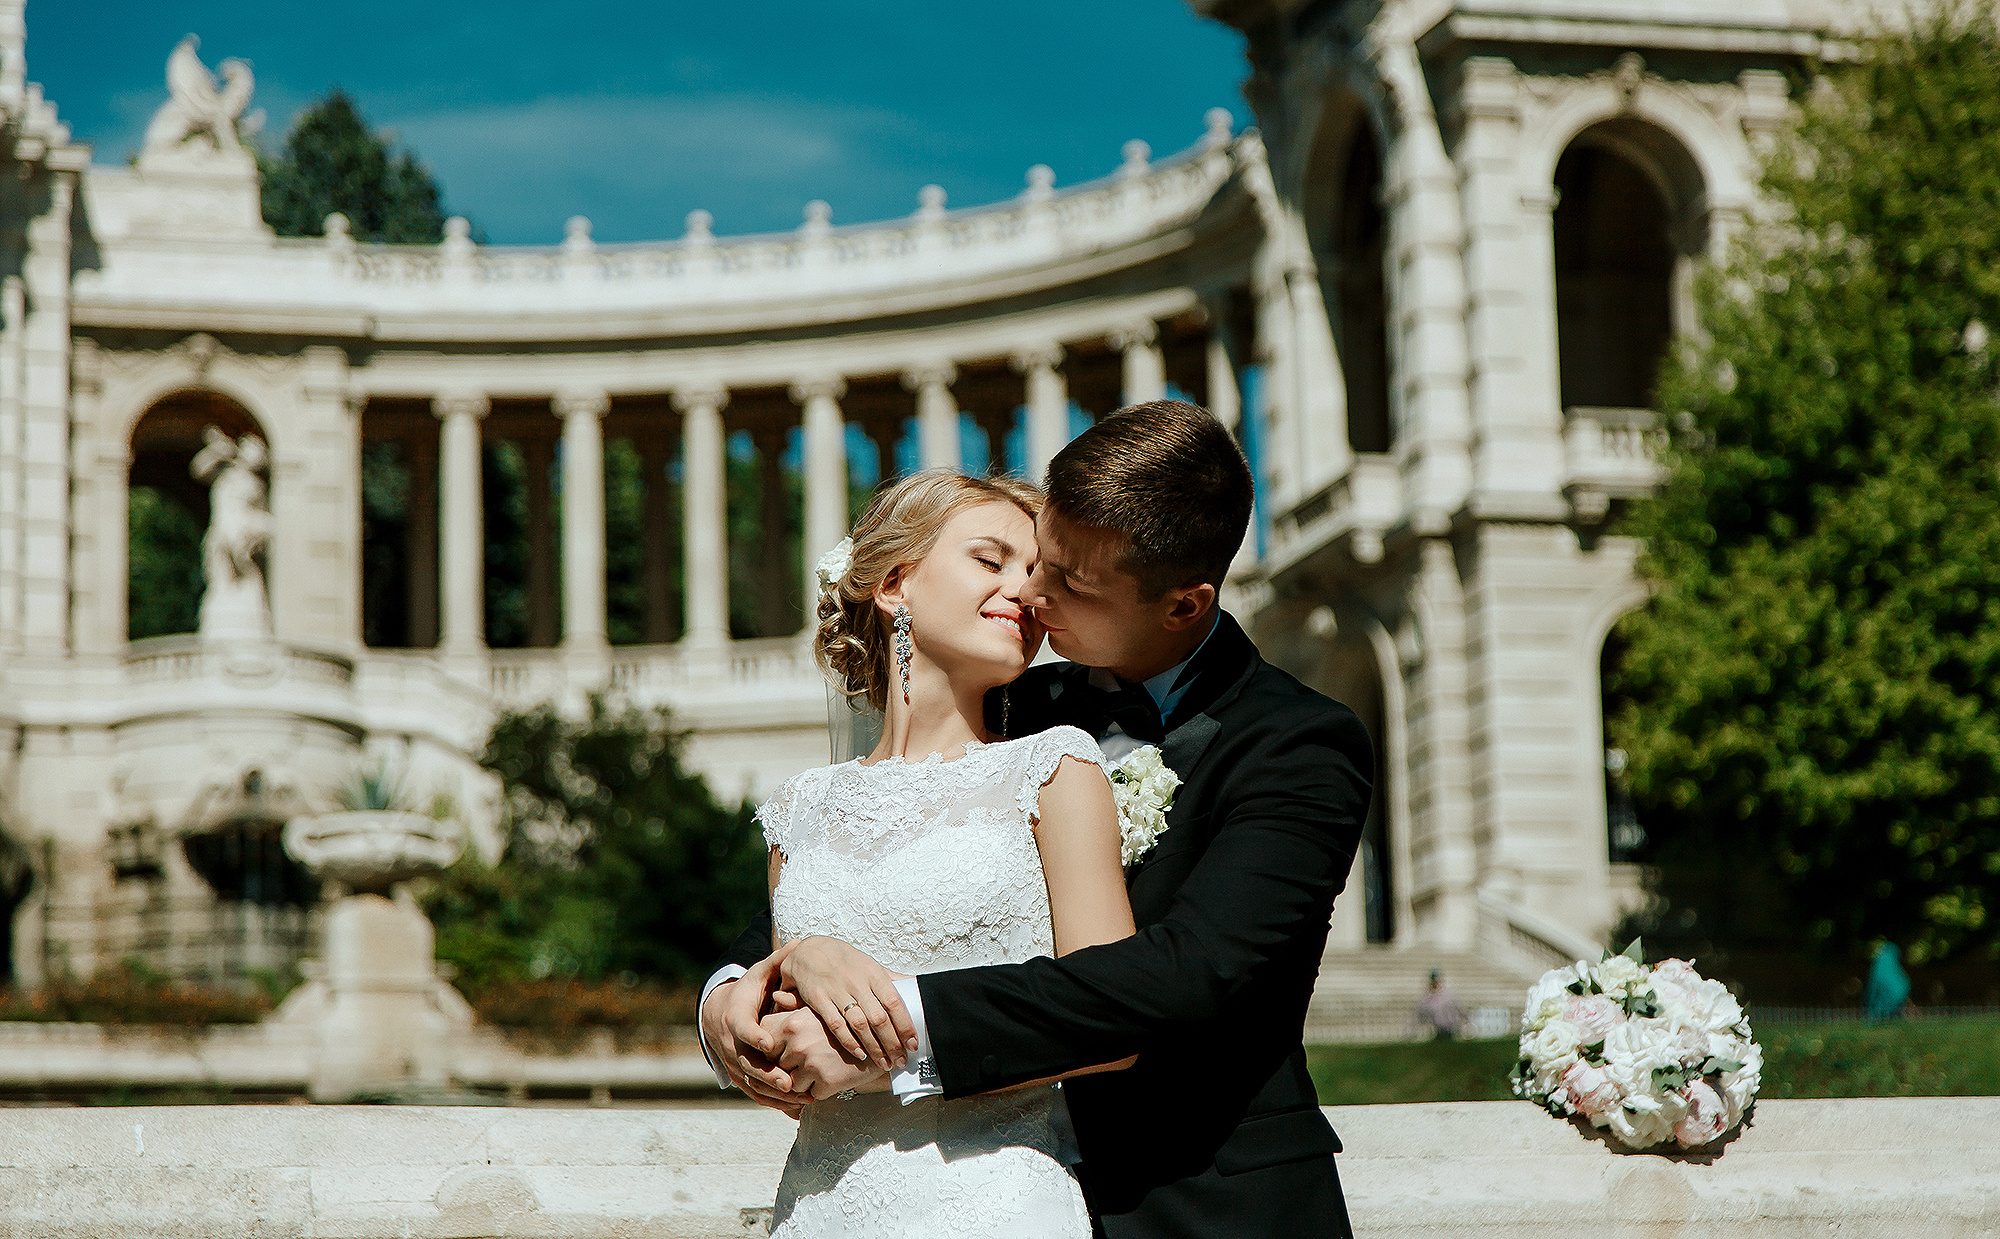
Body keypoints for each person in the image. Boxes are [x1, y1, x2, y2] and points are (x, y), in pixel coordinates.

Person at [704, 400, 1374, 1238]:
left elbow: (1180, 974)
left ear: (1182, 605)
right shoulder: (1010, 703)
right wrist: (733, 990)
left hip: (1195, 1200)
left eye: (1068, 581)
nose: (1031, 590)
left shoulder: (1298, 744)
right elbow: (849, 881)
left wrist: (882, 1038)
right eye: (1033, 557)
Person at [744, 468, 1137, 1237]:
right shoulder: (799, 809)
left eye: (1033, 576)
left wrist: (888, 1053)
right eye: (991, 561)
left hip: (993, 1206)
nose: (1022, 594)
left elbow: (1112, 1014)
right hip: (819, 1208)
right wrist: (784, 972)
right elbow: (780, 1027)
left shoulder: (1055, 766)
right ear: (895, 584)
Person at [1416, 969, 1465, 1041]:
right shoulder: (1427, 998)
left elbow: (1459, 1009)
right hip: (1436, 1029)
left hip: (1449, 1028)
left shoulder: (1448, 996)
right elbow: (1421, 1014)